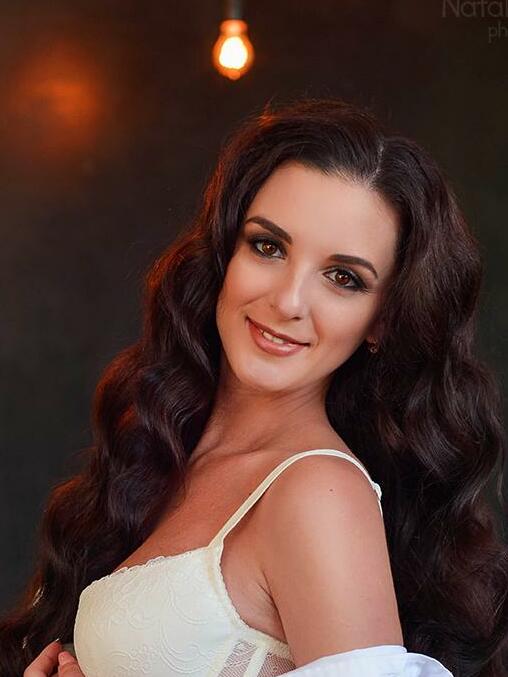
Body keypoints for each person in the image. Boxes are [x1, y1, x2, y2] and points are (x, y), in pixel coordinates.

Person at [1, 97, 506, 676]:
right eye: (268, 246)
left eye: (343, 278)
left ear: (382, 321)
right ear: (225, 252)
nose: (288, 301)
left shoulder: (318, 494)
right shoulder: (168, 450)